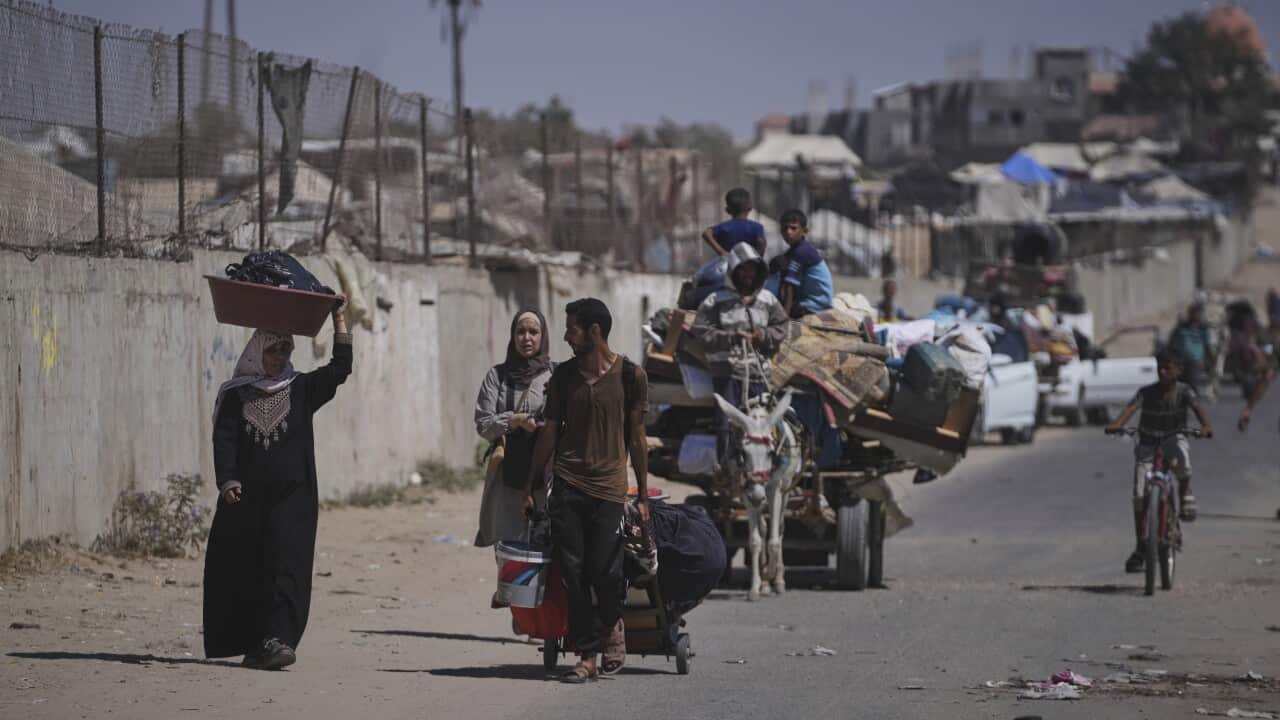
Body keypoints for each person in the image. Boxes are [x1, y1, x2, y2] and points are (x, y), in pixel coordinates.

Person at [204, 300, 352, 669]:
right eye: (273, 349)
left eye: (285, 348)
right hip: (247, 501)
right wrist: (228, 480)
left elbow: (340, 368)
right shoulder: (237, 393)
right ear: (258, 351)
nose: (279, 355)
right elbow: (225, 440)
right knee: (250, 570)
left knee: (288, 567)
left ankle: (280, 639)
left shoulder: (302, 388)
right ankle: (256, 644)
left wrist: (340, 318)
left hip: (293, 501)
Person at [523, 298, 649, 684]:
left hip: (610, 488)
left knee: (606, 571)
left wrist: (642, 495)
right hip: (568, 485)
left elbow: (637, 437)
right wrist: (532, 485)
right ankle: (587, 654)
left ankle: (612, 626)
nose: (565, 335)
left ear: (594, 331)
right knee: (574, 573)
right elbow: (550, 430)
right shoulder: (563, 377)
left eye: (572, 328)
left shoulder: (631, 376)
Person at [1105, 353, 1213, 574]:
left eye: (1167, 368)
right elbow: (1129, 410)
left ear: (1178, 371)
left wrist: (1205, 427)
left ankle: (1183, 498)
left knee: (1183, 461)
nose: (1162, 372)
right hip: (1147, 441)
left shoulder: (1185, 391)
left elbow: (1198, 410)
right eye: (1159, 368)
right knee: (1139, 494)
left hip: (1174, 437)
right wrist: (1116, 424)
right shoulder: (1146, 392)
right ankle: (1141, 546)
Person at [688, 243, 788, 464]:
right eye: (742, 270)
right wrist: (730, 338)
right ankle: (727, 473)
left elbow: (781, 325)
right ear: (733, 272)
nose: (747, 275)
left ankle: (760, 472)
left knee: (761, 424)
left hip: (758, 374)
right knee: (727, 425)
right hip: (727, 374)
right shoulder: (715, 301)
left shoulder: (768, 300)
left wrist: (763, 335)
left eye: (752, 270)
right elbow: (701, 332)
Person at [474, 309, 553, 550]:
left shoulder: (556, 375)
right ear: (512, 336)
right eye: (520, 332)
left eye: (533, 332)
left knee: (545, 550)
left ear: (543, 336)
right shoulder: (497, 377)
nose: (526, 338)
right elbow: (484, 425)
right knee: (509, 552)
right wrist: (514, 420)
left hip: (546, 480)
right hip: (507, 480)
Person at [766, 209, 834, 319]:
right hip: (811, 300)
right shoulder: (795, 250)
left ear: (804, 231)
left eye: (793, 228)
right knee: (777, 263)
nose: (788, 232)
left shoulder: (801, 252)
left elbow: (790, 286)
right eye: (785, 228)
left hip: (815, 304)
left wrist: (785, 317)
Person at [701, 187, 766, 257]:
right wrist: (758, 256)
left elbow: (706, 233)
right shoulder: (756, 227)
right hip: (750, 265)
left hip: (727, 264)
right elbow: (761, 242)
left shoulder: (724, 227)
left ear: (727, 210)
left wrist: (721, 252)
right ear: (750, 208)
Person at [1167, 302, 1215, 395]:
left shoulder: (1203, 329)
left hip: (1195, 362)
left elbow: (1207, 345)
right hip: (1180, 361)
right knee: (1178, 385)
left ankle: (1193, 403)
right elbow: (1171, 342)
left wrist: (1211, 360)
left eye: (1198, 313)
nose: (1196, 315)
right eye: (1194, 313)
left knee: (1192, 385)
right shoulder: (1181, 327)